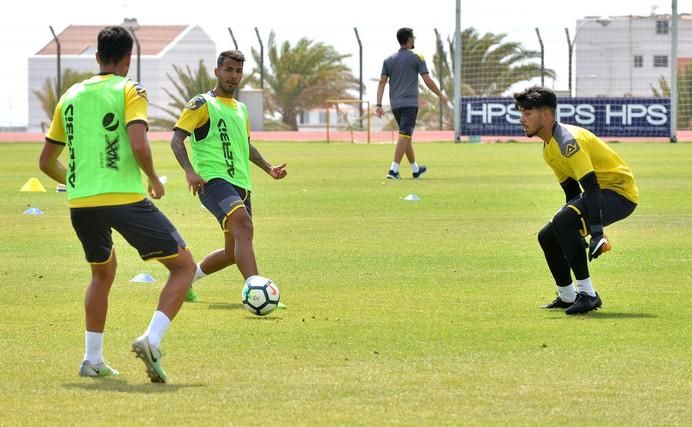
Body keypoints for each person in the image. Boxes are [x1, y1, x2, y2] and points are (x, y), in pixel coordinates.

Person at [38, 26, 196, 383]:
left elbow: (46, 162)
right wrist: (154, 178)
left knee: (102, 272)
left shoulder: (71, 95)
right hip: (123, 198)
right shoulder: (131, 89)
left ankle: (92, 359)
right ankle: (152, 340)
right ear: (128, 60)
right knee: (184, 267)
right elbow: (139, 144)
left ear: (96, 58)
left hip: (81, 204)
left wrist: (78, 182)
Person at [170, 50, 287, 302]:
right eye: (229, 70)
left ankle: (185, 281)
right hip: (212, 181)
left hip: (241, 183)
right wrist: (190, 171)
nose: (233, 76)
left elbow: (245, 146)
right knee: (244, 226)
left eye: (238, 71)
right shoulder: (202, 104)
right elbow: (177, 139)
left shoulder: (241, 109)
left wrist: (269, 168)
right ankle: (258, 294)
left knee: (233, 251)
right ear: (217, 72)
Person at [513, 86, 639, 315]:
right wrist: (573, 228)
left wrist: (597, 233)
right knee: (548, 236)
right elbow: (572, 190)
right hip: (599, 192)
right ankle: (567, 295)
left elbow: (590, 186)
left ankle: (588, 295)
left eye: (527, 113)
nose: (522, 119)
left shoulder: (569, 141)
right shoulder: (548, 148)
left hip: (619, 193)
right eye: (521, 113)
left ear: (547, 115)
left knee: (563, 223)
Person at [375, 27, 448, 180]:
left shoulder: (388, 60)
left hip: (395, 104)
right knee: (404, 135)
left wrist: (379, 104)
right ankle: (393, 170)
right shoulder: (417, 57)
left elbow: (382, 82)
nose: (414, 39)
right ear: (408, 39)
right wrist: (440, 95)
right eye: (413, 37)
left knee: (405, 136)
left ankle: (415, 169)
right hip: (410, 104)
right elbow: (427, 81)